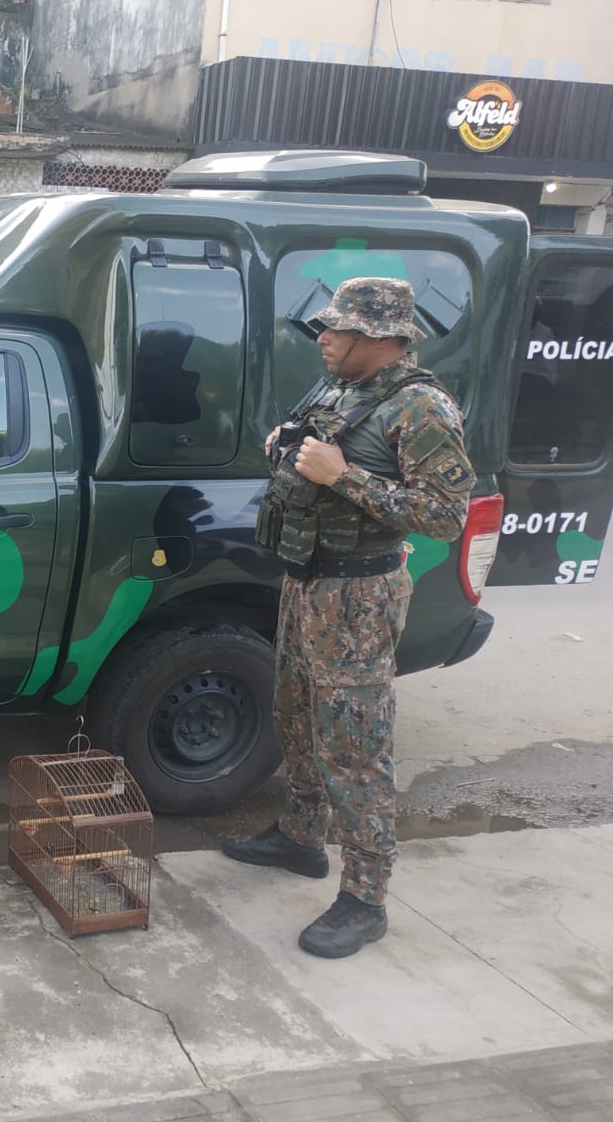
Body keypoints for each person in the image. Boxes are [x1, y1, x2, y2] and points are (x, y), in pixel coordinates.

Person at [228, 276, 474, 959]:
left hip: (360, 595)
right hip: (307, 582)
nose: (324, 337)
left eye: (338, 328)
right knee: (296, 717)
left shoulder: (422, 407)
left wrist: (344, 477)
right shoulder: (338, 388)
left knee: (355, 749)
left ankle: (365, 899)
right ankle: (300, 837)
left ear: (383, 337)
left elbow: (445, 516)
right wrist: (290, 447)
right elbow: (307, 459)